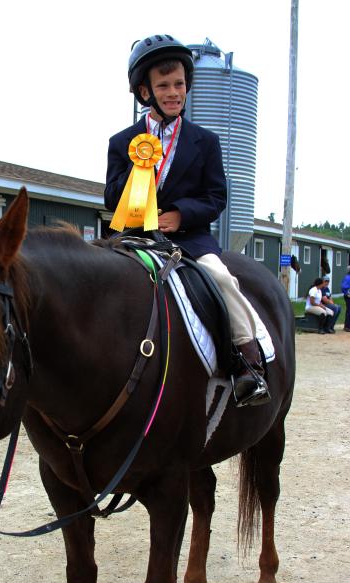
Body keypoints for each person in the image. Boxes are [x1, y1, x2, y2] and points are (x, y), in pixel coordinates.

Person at [104, 34, 270, 407]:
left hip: (190, 239)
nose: (173, 92)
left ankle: (248, 361)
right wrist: (137, 175)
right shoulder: (123, 142)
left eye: (179, 84)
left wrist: (180, 215)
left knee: (220, 276)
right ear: (145, 91)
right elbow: (111, 196)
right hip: (134, 235)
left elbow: (216, 198)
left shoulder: (205, 141)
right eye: (164, 85)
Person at [341, 265, 350, 332]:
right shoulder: (348, 278)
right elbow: (344, 287)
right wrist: (347, 293)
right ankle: (347, 326)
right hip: (348, 296)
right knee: (349, 310)